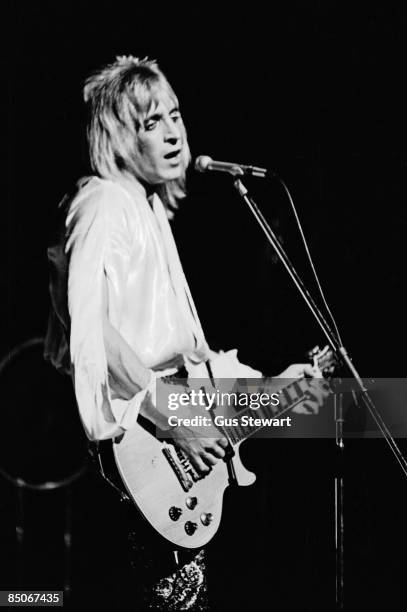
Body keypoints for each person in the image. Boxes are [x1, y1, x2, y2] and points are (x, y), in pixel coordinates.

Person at [44, 55, 328, 610]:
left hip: (169, 426)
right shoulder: (104, 203)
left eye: (175, 115)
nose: (174, 132)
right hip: (143, 440)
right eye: (152, 122)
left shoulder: (148, 211)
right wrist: (177, 423)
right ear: (120, 135)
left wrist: (274, 387)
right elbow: (90, 330)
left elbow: (182, 358)